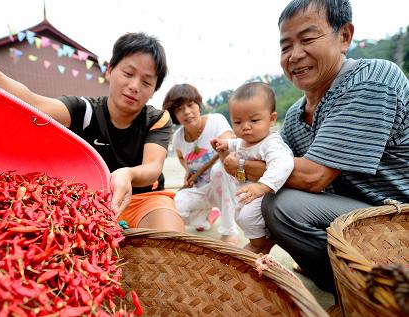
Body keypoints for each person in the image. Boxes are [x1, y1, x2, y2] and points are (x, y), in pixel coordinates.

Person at [0, 19, 185, 232]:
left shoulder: (156, 118)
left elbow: (152, 169)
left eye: (147, 82)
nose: (134, 86)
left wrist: (126, 173)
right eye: (128, 73)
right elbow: (32, 102)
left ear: (154, 90)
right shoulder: (85, 110)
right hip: (94, 202)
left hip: (143, 200)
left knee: (171, 236)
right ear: (110, 70)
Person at [222, 0, 408, 295]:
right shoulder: (296, 116)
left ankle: (361, 292)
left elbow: (312, 177)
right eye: (285, 46)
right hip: (352, 220)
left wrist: (242, 166)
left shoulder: (372, 80)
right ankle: (343, 281)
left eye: (308, 39)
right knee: (272, 197)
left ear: (344, 37)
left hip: (396, 222)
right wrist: (253, 251)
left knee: (282, 205)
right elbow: (287, 175)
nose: (295, 55)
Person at [211, 82, 294, 254]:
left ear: (271, 119)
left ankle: (258, 245)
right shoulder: (245, 140)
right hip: (247, 192)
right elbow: (237, 143)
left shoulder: (271, 143)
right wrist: (225, 143)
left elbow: (284, 163)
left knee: (247, 217)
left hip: (265, 193)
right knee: (239, 216)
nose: (246, 127)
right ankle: (265, 237)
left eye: (254, 120)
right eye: (238, 122)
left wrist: (262, 186)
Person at [162, 83, 239, 245]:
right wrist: (187, 173)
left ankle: (229, 230)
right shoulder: (177, 138)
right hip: (201, 189)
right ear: (175, 114)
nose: (187, 112)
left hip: (227, 187)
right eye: (180, 109)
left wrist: (224, 145)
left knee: (219, 170)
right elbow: (183, 159)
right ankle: (205, 218)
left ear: (198, 105)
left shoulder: (216, 121)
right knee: (174, 205)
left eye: (190, 105)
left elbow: (230, 151)